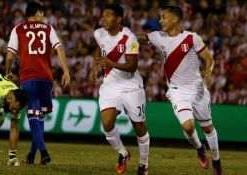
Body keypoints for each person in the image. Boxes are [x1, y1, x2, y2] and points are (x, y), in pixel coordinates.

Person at [137, 6, 222, 175]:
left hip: (198, 89)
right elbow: (138, 38)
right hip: (177, 91)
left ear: (174, 19)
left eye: (163, 17)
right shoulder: (156, 37)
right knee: (188, 126)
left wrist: (209, 72)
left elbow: (209, 58)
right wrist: (122, 35)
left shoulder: (191, 38)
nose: (160, 21)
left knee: (208, 128)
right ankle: (199, 148)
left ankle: (216, 161)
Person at [5, 2, 70, 165]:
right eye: (42, 13)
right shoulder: (48, 28)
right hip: (46, 78)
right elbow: (59, 48)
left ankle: (44, 152)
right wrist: (66, 70)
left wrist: (8, 71)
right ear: (38, 13)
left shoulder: (18, 29)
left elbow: (10, 56)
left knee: (34, 116)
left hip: (28, 77)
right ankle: (31, 156)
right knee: (39, 116)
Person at [89, 4, 149, 175]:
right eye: (103, 15)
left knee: (139, 126)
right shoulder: (99, 33)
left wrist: (110, 63)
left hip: (131, 87)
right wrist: (95, 67)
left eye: (108, 15)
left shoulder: (129, 38)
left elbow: (132, 66)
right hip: (110, 85)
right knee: (107, 124)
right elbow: (99, 48)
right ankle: (124, 154)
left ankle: (143, 164)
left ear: (119, 19)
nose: (104, 18)